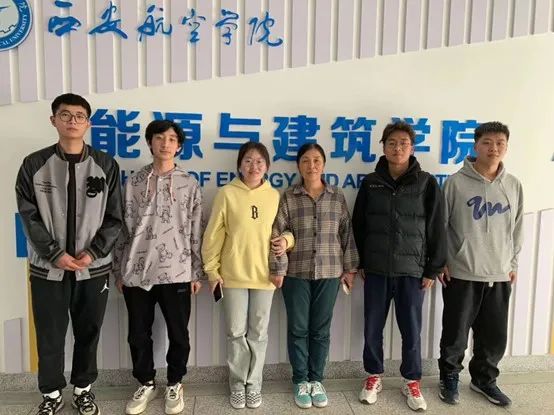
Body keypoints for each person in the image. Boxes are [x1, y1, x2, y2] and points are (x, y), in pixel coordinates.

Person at [15, 93, 123, 415]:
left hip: (94, 269)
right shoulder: (34, 164)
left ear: (88, 123)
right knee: (50, 334)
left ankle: (83, 390)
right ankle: (51, 394)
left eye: (79, 116)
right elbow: (28, 216)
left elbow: (115, 217)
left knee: (88, 332)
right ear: (54, 120)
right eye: (65, 115)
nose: (72, 121)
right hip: (48, 270)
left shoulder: (105, 164)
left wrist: (93, 252)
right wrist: (54, 254)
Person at [352, 121, 445, 411]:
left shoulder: (426, 182)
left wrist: (432, 269)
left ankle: (411, 380)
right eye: (391, 143)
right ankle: (373, 376)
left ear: (412, 148)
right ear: (383, 147)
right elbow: (359, 225)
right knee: (372, 328)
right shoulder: (371, 183)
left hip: (412, 272)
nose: (397, 148)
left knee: (411, 330)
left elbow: (436, 227)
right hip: (376, 269)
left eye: (403, 143)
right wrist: (361, 262)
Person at [113, 120, 203, 415]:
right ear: (150, 142)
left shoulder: (189, 184)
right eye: (159, 138)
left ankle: (175, 382)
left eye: (172, 139)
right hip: (137, 271)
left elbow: (196, 230)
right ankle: (146, 382)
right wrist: (119, 270)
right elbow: (123, 227)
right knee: (138, 334)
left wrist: (196, 271)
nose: (165, 144)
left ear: (179, 146)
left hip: (177, 271)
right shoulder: (135, 182)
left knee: (179, 334)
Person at [438, 121, 523, 407]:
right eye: (487, 142)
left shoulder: (513, 185)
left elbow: (517, 228)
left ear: (506, 147)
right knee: (455, 334)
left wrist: (512, 263)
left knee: (493, 336)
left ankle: (484, 380)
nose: (493, 148)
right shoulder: (455, 183)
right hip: (461, 271)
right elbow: (441, 226)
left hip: (500, 273)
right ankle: (449, 376)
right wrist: (443, 261)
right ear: (475, 145)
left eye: (500, 143)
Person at [202, 141, 292, 410]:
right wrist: (211, 271)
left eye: (260, 161)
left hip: (265, 277)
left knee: (259, 334)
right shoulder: (227, 194)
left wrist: (287, 241)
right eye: (248, 161)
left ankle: (254, 384)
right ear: (240, 165)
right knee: (235, 332)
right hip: (232, 276)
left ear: (267, 166)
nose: (254, 166)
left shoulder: (274, 196)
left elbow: (287, 230)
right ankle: (237, 384)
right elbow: (213, 235)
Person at [270, 143, 358, 409]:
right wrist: (278, 269)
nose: (312, 165)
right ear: (299, 165)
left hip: (330, 272)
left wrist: (350, 269)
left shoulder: (336, 196)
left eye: (317, 160)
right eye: (306, 160)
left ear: (324, 164)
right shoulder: (289, 197)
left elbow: (346, 233)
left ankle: (316, 380)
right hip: (296, 273)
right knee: (298, 329)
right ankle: (300, 380)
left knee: (320, 330)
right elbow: (277, 234)